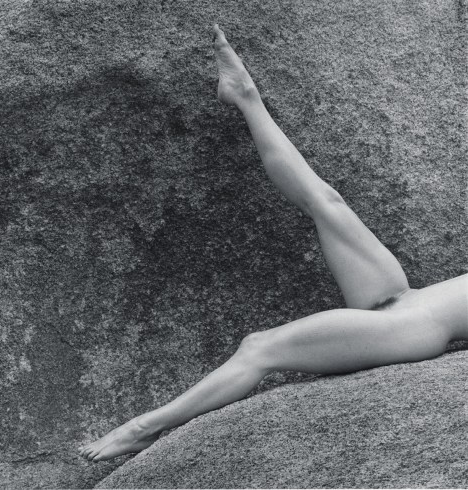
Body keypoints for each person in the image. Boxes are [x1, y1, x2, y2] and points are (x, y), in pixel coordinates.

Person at [79, 24, 468, 463]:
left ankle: (145, 427)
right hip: (398, 295)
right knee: (325, 201)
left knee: (260, 347)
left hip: (408, 331)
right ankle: (244, 93)